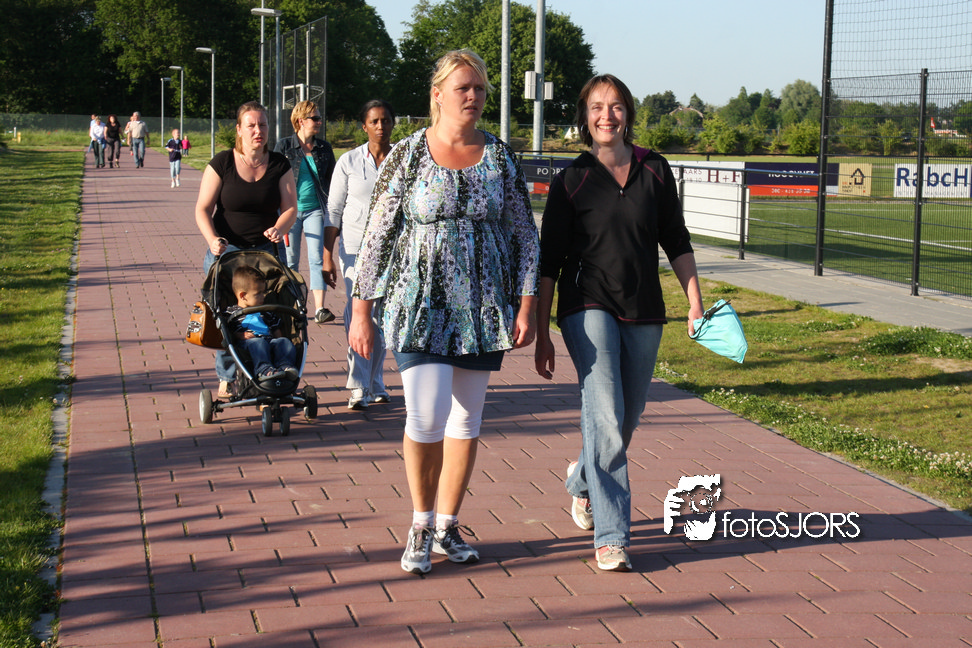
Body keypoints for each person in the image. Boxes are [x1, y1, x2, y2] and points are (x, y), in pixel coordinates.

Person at [349, 50, 539, 575]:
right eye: (463, 88)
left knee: (466, 419)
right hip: (419, 303)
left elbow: (525, 234)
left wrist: (526, 303)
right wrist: (361, 310)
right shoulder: (408, 154)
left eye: (479, 88)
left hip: (481, 308)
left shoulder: (499, 157)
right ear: (438, 95)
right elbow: (377, 235)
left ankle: (448, 524)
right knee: (425, 415)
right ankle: (420, 523)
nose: (473, 97)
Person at [534, 74, 704, 572]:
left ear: (628, 113)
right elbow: (549, 263)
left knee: (624, 420)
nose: (606, 115)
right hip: (586, 304)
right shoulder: (571, 180)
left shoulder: (655, 169)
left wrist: (696, 303)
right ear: (584, 117)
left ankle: (582, 479)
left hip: (644, 306)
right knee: (606, 416)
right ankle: (612, 537)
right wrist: (542, 333)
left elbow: (676, 238)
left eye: (615, 106)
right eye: (596, 107)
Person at [195, 100, 297, 399]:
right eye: (251, 125)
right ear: (239, 129)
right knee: (226, 313)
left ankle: (272, 368)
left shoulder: (279, 164)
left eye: (262, 125)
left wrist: (280, 227)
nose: (257, 131)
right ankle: (227, 376)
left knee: (270, 310)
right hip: (227, 253)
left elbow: (290, 208)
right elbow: (202, 209)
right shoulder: (222, 163)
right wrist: (212, 239)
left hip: (266, 253)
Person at [325, 99, 395, 410]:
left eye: (385, 120)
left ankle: (374, 381)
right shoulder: (349, 161)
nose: (380, 126)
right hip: (355, 248)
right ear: (364, 126)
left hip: (393, 248)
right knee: (358, 312)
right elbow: (334, 210)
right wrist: (327, 255)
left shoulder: (401, 159)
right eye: (374, 121)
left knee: (382, 317)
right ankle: (357, 385)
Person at [274, 100, 337, 325]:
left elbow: (332, 181)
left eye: (320, 118)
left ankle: (320, 309)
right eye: (315, 118)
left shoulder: (324, 148)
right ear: (301, 121)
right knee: (290, 260)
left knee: (316, 258)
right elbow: (273, 178)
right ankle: (293, 306)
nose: (319, 122)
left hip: (315, 210)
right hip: (289, 211)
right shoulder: (284, 146)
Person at [227, 265, 298, 381]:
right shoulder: (232, 313)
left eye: (263, 292)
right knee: (258, 343)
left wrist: (280, 341)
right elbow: (227, 331)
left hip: (269, 341)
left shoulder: (266, 311)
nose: (263, 296)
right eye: (258, 294)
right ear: (243, 295)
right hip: (248, 343)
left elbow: (276, 329)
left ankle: (284, 365)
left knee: (284, 341)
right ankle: (263, 369)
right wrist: (239, 335)